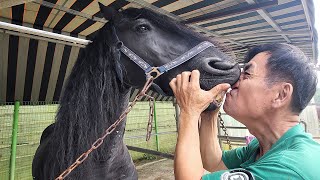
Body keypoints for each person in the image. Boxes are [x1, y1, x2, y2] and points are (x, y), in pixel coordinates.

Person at [170, 43, 320, 180]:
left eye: (247, 74)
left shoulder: (288, 168)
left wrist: (189, 111)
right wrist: (209, 112)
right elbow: (214, 162)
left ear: (280, 95)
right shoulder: (263, 146)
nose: (234, 81)